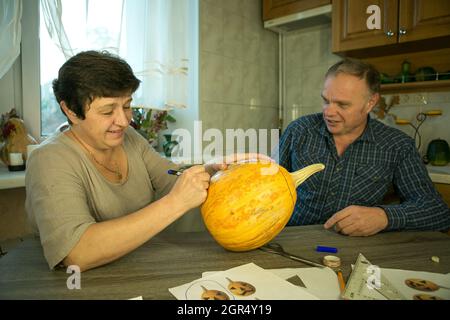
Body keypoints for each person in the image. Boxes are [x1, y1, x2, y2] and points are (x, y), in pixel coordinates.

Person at [26, 50, 268, 272]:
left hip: (138, 270)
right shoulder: (48, 159)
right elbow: (77, 253)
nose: (123, 120)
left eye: (127, 106)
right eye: (108, 111)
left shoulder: (129, 138)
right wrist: (176, 203)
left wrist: (211, 170)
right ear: (70, 110)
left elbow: (170, 178)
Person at [278, 58, 450, 236]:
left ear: (370, 103)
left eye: (342, 104)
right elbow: (267, 187)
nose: (328, 112)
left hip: (356, 249)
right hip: (292, 239)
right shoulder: (299, 131)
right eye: (326, 101)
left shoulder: (397, 146)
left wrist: (384, 217)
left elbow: (438, 212)